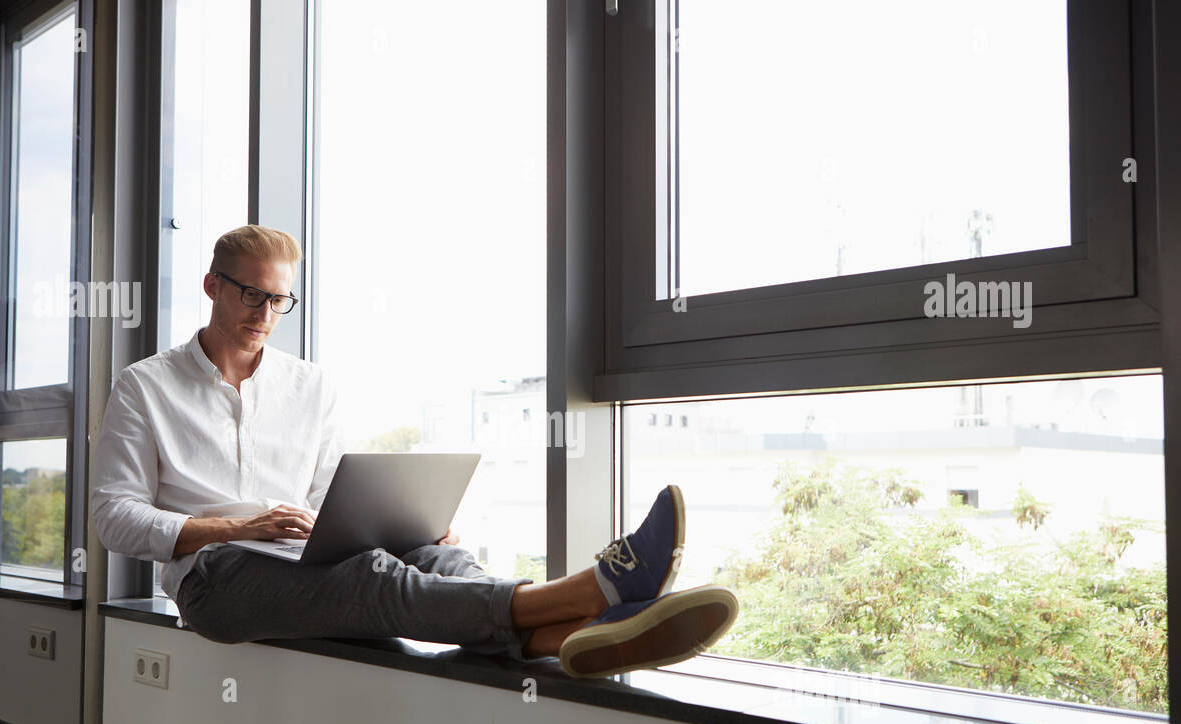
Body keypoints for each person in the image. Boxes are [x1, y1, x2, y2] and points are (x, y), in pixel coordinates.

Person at [91, 224, 739, 679]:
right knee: (373, 575)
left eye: (280, 298)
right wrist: (232, 528)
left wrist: (399, 522)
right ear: (212, 285)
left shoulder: (310, 385)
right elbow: (112, 515)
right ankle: (595, 590)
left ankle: (570, 637)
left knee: (435, 554)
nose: (266, 311)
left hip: (302, 553)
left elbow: (324, 498)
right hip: (215, 578)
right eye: (251, 293)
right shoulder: (146, 385)